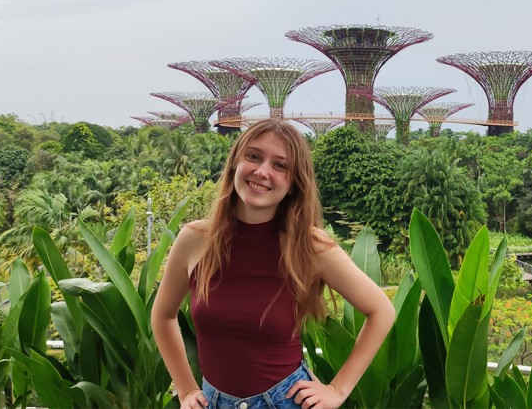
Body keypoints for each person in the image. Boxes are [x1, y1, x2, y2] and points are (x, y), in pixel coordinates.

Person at [152, 119, 396, 409]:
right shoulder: (195, 239)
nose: (262, 171)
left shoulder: (311, 246)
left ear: (294, 183)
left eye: (280, 165)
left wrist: (337, 389)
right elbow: (163, 315)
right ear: (234, 163)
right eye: (253, 156)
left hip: (285, 401)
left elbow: (381, 310)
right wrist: (185, 389)